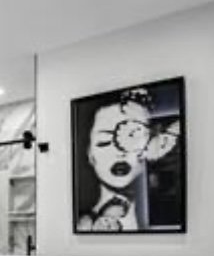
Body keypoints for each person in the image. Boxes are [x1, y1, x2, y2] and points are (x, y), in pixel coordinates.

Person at [76, 87, 180, 232]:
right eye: (104, 142)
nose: (120, 153)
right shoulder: (84, 224)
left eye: (134, 139)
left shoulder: (163, 212)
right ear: (89, 154)